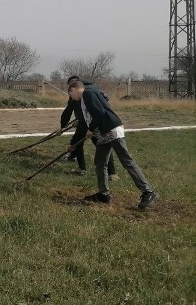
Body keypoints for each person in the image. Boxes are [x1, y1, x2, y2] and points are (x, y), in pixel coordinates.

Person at [67, 80, 158, 209]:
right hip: (103, 133)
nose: (72, 98)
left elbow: (100, 113)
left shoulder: (88, 94)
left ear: (73, 90)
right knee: (100, 162)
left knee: (127, 161)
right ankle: (103, 194)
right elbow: (94, 113)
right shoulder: (88, 94)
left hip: (111, 130)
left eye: (71, 95)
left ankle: (148, 192)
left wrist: (91, 129)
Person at [58, 76, 116, 179]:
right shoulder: (93, 88)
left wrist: (62, 127)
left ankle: (81, 168)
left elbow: (68, 110)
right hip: (95, 122)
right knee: (101, 144)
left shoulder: (78, 92)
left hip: (87, 122)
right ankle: (112, 173)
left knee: (77, 142)